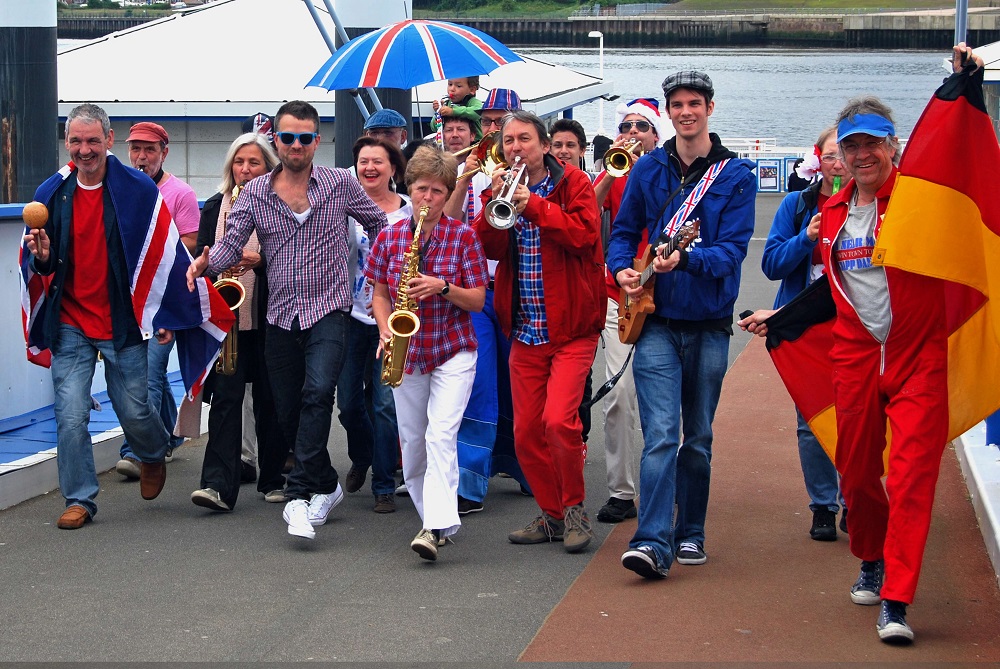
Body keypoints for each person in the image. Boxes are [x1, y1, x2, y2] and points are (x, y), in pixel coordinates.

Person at [739, 43, 985, 644]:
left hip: (918, 358)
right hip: (853, 358)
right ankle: (871, 557)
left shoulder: (921, 200)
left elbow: (958, 154)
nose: (862, 154)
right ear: (841, 156)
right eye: (852, 146)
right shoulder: (831, 213)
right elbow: (835, 290)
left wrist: (966, 84)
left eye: (874, 143)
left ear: (893, 146)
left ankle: (897, 598)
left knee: (911, 477)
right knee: (855, 474)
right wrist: (784, 316)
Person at [187, 100, 387, 540]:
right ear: (277, 140)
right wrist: (204, 263)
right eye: (289, 137)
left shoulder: (339, 183)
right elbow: (231, 245)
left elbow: (379, 224)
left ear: (317, 141)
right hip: (280, 313)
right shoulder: (256, 192)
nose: (297, 145)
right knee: (286, 410)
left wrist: (378, 272)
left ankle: (297, 495)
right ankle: (327, 483)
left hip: (329, 309)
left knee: (319, 392)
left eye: (305, 137)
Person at [21, 103, 227, 529]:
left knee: (133, 409)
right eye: (76, 141)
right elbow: (43, 265)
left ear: (108, 140)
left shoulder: (138, 189)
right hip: (70, 321)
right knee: (70, 413)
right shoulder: (51, 193)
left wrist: (165, 314)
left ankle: (152, 453)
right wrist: (41, 257)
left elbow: (164, 256)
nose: (84, 149)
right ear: (66, 142)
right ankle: (79, 499)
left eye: (92, 140)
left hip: (123, 320)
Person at [607, 71, 757, 578]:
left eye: (695, 103)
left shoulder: (737, 176)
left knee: (698, 437)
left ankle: (691, 530)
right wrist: (621, 269)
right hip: (654, 320)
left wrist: (686, 260)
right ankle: (652, 541)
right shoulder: (648, 168)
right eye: (677, 105)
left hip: (710, 324)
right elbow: (622, 232)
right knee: (661, 435)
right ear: (668, 112)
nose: (686, 112)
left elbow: (731, 253)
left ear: (710, 108)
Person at [474, 110, 605, 553]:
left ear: (545, 145)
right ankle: (552, 515)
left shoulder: (574, 183)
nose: (515, 147)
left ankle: (575, 509)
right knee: (526, 432)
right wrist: (493, 202)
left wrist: (533, 204)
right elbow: (486, 246)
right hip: (527, 329)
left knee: (559, 423)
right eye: (509, 140)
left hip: (572, 328)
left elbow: (584, 236)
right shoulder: (502, 186)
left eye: (524, 139)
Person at [366, 146, 488, 560]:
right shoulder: (389, 236)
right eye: (421, 189)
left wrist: (443, 287)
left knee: (441, 435)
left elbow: (477, 301)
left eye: (437, 191)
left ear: (448, 193)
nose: (428, 199)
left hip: (453, 348)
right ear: (409, 188)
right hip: (407, 349)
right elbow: (379, 294)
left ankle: (434, 527)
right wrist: (385, 328)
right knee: (413, 443)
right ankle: (432, 518)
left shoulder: (464, 236)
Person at [189, 132, 286, 511]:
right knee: (226, 402)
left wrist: (260, 262)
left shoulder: (280, 205)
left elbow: (292, 261)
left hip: (270, 318)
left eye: (254, 163)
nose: (245, 170)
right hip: (226, 321)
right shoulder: (215, 206)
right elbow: (202, 258)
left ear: (268, 168)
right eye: (239, 162)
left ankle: (274, 478)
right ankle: (217, 486)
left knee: (270, 400)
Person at [761, 126, 849, 541]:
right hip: (806, 327)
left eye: (846, 155)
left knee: (858, 415)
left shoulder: (872, 204)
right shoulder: (797, 205)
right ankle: (823, 506)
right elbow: (771, 265)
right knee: (810, 420)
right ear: (818, 160)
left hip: (856, 325)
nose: (840, 165)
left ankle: (856, 500)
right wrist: (806, 237)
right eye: (831, 156)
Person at [591, 97, 664, 524]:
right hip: (617, 292)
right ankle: (621, 490)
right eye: (626, 126)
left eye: (641, 126)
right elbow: (587, 209)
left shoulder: (669, 171)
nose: (632, 132)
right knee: (618, 394)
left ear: (656, 135)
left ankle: (664, 480)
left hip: (663, 291)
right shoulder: (614, 171)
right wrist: (611, 169)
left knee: (662, 397)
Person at [113, 121, 199, 478]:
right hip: (126, 300)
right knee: (153, 375)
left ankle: (136, 451)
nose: (141, 156)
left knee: (146, 375)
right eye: (136, 148)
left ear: (164, 153)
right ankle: (169, 437)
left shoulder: (180, 193)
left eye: (150, 149)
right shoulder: (117, 188)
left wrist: (155, 250)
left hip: (163, 300)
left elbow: (191, 242)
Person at [338, 136, 408, 513]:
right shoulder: (342, 209)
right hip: (349, 316)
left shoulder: (410, 211)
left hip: (393, 321)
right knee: (348, 404)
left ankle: (383, 484)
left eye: (378, 161)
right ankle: (363, 454)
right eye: (363, 161)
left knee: (384, 405)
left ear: (393, 168)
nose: (369, 168)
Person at [431, 76, 483, 141]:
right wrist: (438, 112)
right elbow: (434, 127)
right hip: (452, 142)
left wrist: (453, 111)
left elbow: (477, 112)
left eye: (458, 86)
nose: (452, 89)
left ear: (472, 90)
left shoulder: (472, 101)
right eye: (450, 84)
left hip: (475, 143)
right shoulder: (447, 104)